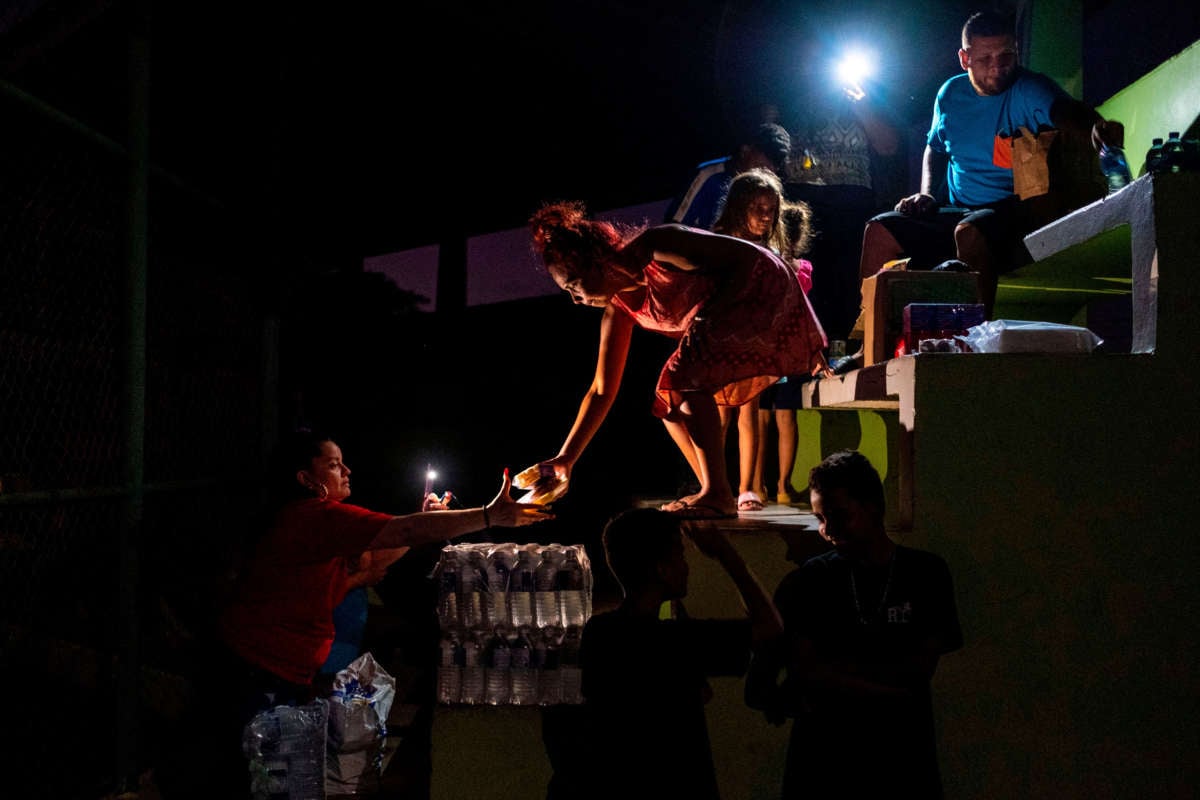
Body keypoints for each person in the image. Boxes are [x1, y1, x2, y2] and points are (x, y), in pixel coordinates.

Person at [160, 429, 552, 799]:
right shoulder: (313, 516)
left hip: (269, 672)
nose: (347, 471)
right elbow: (401, 533)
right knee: (243, 780)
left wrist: (428, 522)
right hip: (252, 673)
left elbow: (379, 553)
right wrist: (486, 515)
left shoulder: (317, 522)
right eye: (333, 465)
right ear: (306, 478)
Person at [523, 201, 831, 520]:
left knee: (683, 377)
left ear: (596, 261)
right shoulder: (619, 311)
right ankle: (713, 489)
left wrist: (708, 317)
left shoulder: (659, 246)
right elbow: (601, 391)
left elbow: (746, 259)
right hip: (731, 310)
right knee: (667, 405)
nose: (576, 299)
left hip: (763, 283)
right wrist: (566, 458)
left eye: (574, 285)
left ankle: (718, 494)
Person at [857, 9, 1124, 317]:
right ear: (964, 58)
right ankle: (868, 337)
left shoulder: (1028, 88)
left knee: (969, 231)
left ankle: (973, 342)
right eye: (985, 59)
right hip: (961, 211)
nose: (998, 68)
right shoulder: (949, 94)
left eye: (1006, 56)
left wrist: (1096, 128)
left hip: (1013, 212)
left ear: (1016, 52)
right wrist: (928, 193)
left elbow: (1068, 112)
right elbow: (936, 148)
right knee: (878, 230)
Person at [745, 450, 962, 798]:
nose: (827, 530)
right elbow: (769, 684)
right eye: (820, 518)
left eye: (838, 515)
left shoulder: (924, 574)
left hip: (900, 767)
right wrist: (886, 690)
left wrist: (827, 679)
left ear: (874, 506)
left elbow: (918, 671)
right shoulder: (808, 581)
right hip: (825, 769)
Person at [574, 507, 783, 800]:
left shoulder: (599, 632)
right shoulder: (675, 641)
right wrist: (727, 556)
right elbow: (770, 627)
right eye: (681, 556)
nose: (687, 566)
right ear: (662, 568)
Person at [711, 168, 817, 509]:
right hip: (720, 339)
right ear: (738, 206)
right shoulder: (718, 241)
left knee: (749, 411)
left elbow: (793, 302)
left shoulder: (773, 250)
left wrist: (810, 345)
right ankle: (714, 484)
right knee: (720, 416)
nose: (765, 215)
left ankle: (746, 488)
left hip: (755, 342)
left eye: (770, 209)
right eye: (757, 207)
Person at [663, 121, 793, 231]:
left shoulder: (765, 188)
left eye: (770, 172)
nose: (763, 177)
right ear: (745, 151)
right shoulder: (709, 176)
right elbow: (674, 225)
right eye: (760, 168)